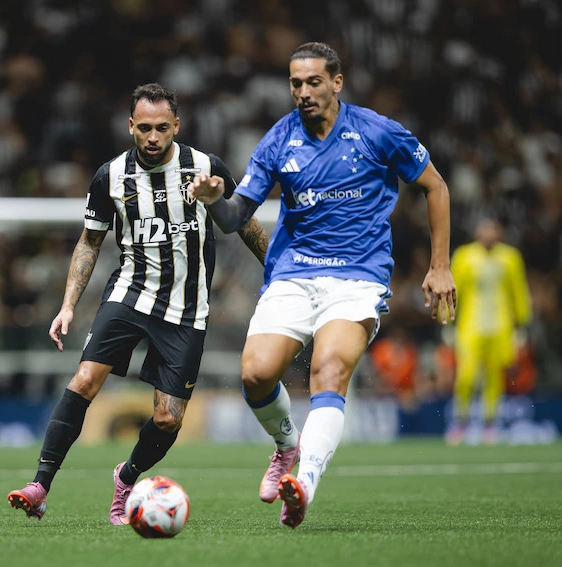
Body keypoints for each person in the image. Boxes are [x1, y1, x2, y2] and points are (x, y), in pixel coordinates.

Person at [188, 42, 457, 529]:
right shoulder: (277, 141)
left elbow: (436, 186)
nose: (304, 92)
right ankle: (288, 447)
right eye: (296, 83)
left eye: (314, 82)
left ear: (336, 82)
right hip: (293, 273)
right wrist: (212, 200)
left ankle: (304, 484)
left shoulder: (377, 132)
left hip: (357, 277)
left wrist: (440, 266)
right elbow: (234, 219)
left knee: (329, 371)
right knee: (255, 375)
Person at [7, 83, 269, 523]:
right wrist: (68, 305)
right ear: (130, 126)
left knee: (168, 420)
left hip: (187, 309)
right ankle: (40, 486)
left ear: (176, 127)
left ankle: (127, 477)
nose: (152, 137)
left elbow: (243, 223)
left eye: (162, 128)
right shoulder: (110, 176)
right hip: (129, 293)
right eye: (144, 128)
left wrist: (279, 272)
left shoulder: (205, 167)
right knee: (85, 378)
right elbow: (89, 242)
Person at [446, 217, 532, 445]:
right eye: (484, 229)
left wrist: (522, 324)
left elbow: (518, 290)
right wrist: (446, 321)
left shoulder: (510, 257)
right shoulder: (464, 256)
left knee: (495, 377)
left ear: (499, 232)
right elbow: (454, 289)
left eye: (492, 229)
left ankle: (490, 424)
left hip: (501, 326)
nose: (488, 234)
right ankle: (460, 421)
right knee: (466, 375)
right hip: (471, 324)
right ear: (477, 232)